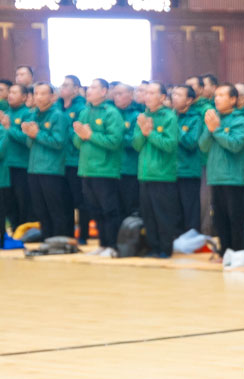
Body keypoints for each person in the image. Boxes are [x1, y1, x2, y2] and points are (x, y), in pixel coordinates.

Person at [73, 78, 125, 254]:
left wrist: (90, 135)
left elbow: (115, 141)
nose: (89, 91)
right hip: (86, 169)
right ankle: (102, 244)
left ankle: (113, 246)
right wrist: (80, 136)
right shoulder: (84, 112)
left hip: (105, 169)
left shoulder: (111, 113)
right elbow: (77, 143)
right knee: (95, 210)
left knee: (109, 210)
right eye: (88, 88)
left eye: (94, 88)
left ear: (104, 91)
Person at [133, 81, 180, 258]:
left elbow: (169, 145)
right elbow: (137, 145)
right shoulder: (142, 116)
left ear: (162, 97)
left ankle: (165, 249)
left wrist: (149, 134)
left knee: (163, 215)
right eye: (146, 93)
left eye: (152, 93)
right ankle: (153, 247)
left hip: (162, 175)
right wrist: (143, 132)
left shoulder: (169, 117)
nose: (147, 96)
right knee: (148, 214)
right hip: (144, 174)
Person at [200, 83, 244, 254]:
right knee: (219, 218)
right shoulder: (214, 118)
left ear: (233, 99)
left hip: (233, 177)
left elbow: (235, 145)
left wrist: (217, 130)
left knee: (235, 218)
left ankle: (237, 252)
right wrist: (209, 129)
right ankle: (224, 251)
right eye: (216, 95)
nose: (217, 98)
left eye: (222, 95)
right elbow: (203, 146)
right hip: (215, 176)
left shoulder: (240, 120)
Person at [24, 82, 71, 238]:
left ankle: (58, 240)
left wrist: (37, 134)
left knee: (55, 208)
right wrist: (30, 135)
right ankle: (46, 238)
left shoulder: (58, 116)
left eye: (43, 93)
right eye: (36, 93)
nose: (38, 97)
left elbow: (58, 142)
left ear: (52, 96)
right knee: (40, 208)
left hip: (51, 169)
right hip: (33, 167)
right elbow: (29, 143)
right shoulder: (33, 114)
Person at [59, 75, 88, 244]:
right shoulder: (59, 107)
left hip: (75, 161)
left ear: (76, 89)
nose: (62, 88)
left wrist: (66, 129)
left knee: (80, 201)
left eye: (66, 85)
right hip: (60, 162)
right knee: (65, 200)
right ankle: (68, 235)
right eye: (61, 85)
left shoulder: (80, 109)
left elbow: (76, 134)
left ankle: (83, 235)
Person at [173, 84, 204, 234]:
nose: (174, 98)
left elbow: (191, 143)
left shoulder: (195, 118)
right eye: (173, 94)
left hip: (188, 171)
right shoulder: (171, 115)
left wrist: (174, 127)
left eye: (179, 95)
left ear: (189, 100)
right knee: (174, 210)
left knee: (190, 210)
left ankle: (192, 242)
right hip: (171, 171)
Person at [2, 84, 32, 229]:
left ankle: (24, 230)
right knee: (9, 200)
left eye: (14, 92)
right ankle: (13, 230)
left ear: (24, 97)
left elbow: (27, 139)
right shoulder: (6, 113)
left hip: (21, 164)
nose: (10, 95)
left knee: (23, 200)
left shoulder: (28, 114)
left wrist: (9, 128)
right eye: (10, 92)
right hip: (6, 165)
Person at [113, 84, 141, 218]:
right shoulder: (111, 113)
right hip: (112, 169)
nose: (116, 97)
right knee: (114, 207)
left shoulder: (136, 116)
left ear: (130, 95)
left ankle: (130, 237)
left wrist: (115, 138)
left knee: (130, 207)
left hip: (130, 168)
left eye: (120, 94)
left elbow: (134, 141)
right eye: (115, 94)